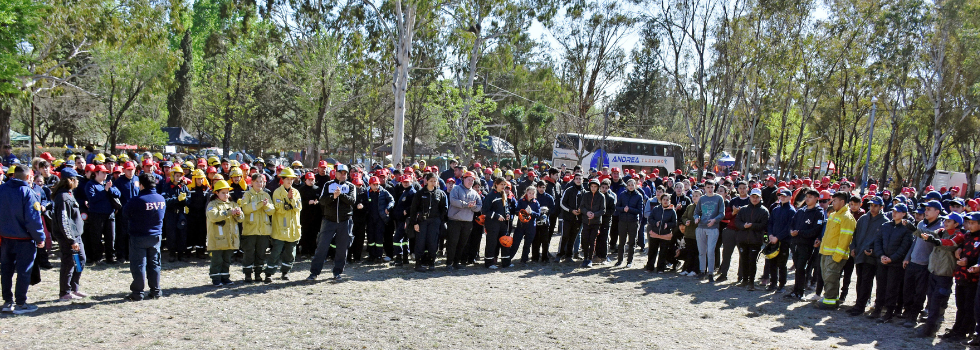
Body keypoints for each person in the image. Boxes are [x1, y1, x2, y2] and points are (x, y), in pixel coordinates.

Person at [0, 165, 46, 314]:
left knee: (6, 270)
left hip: (6, 237)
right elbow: (33, 219)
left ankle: (8, 301)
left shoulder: (2, 189)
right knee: (24, 271)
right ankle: (20, 303)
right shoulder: (27, 192)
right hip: (24, 239)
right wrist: (40, 237)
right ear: (28, 177)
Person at [914, 212, 964, 334]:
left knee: (937, 301)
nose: (945, 223)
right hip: (934, 271)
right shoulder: (941, 231)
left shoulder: (959, 235)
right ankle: (931, 324)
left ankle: (929, 328)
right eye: (945, 221)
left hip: (945, 274)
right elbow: (929, 235)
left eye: (949, 221)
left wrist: (933, 239)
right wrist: (913, 229)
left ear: (956, 224)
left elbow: (948, 244)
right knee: (931, 299)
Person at [122, 173, 166, 301]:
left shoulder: (137, 200)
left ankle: (137, 293)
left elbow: (125, 214)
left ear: (141, 185)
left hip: (139, 236)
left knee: (138, 265)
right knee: (154, 264)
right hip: (156, 236)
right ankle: (156, 291)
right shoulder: (161, 199)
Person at [309, 164, 355, 281]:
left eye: (345, 173)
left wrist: (341, 195)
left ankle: (337, 272)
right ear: (336, 173)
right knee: (322, 247)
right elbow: (322, 201)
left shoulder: (351, 186)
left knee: (341, 248)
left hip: (345, 221)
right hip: (329, 221)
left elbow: (352, 201)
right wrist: (333, 197)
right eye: (341, 173)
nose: (343, 175)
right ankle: (314, 273)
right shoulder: (328, 185)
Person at [901, 200, 944, 322]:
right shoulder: (920, 224)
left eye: (929, 209)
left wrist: (913, 229)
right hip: (913, 261)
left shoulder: (940, 227)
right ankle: (907, 311)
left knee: (920, 292)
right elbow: (915, 242)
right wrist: (907, 257)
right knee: (907, 289)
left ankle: (913, 315)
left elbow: (930, 236)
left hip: (925, 265)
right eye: (925, 209)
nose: (926, 212)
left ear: (937, 211)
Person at [845, 196, 887, 316]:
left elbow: (882, 241)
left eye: (875, 206)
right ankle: (859, 303)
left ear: (881, 207)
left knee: (866, 281)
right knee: (859, 280)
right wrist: (853, 248)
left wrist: (873, 251)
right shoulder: (863, 218)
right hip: (859, 255)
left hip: (871, 257)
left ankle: (861, 306)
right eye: (871, 205)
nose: (872, 208)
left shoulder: (884, 221)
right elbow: (855, 235)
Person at [51, 168, 88, 301]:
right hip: (69, 238)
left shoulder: (68, 194)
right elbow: (64, 221)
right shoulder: (63, 197)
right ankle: (65, 291)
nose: (78, 181)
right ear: (70, 180)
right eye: (76, 179)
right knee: (69, 263)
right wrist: (71, 240)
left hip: (76, 236)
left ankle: (74, 288)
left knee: (80, 260)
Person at [816, 192, 857, 309]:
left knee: (831, 278)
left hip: (835, 255)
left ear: (842, 202)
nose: (832, 203)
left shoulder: (847, 218)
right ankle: (830, 298)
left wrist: (837, 256)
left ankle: (830, 302)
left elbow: (845, 239)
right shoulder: (834, 215)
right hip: (825, 252)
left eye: (834, 201)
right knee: (827, 277)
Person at [407, 173, 449, 272]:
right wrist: (414, 223)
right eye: (431, 181)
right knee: (420, 242)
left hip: (434, 221)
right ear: (426, 181)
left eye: (435, 181)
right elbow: (413, 209)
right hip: (422, 221)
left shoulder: (440, 193)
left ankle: (431, 262)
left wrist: (440, 220)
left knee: (433, 242)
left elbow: (444, 208)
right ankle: (418, 263)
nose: (433, 183)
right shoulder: (420, 193)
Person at [206, 180, 244, 286]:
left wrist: (238, 213)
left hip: (229, 239)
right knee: (217, 260)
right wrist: (228, 212)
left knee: (227, 260)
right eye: (223, 192)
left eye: (227, 192)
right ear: (216, 193)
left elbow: (241, 219)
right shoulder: (212, 204)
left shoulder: (232, 204)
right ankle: (216, 278)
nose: (226, 195)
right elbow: (213, 216)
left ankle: (225, 277)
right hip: (217, 239)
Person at [268, 168, 303, 280]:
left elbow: (298, 207)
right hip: (280, 229)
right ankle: (269, 273)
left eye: (291, 179)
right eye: (287, 179)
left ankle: (285, 272)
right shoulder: (277, 192)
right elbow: (279, 209)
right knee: (276, 252)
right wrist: (288, 200)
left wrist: (291, 200)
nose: (290, 181)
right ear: (282, 180)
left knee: (290, 253)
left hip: (293, 229)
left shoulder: (296, 192)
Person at [240, 173, 274, 283]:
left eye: (262, 182)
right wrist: (259, 204)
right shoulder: (247, 195)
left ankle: (258, 274)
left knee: (261, 253)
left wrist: (267, 205)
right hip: (250, 230)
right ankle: (248, 274)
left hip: (263, 230)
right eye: (257, 181)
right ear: (252, 182)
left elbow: (272, 211)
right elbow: (245, 209)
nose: (260, 184)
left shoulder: (266, 195)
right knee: (249, 253)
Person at [733, 188, 770, 290]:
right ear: (750, 197)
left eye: (757, 197)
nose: (754, 199)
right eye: (753, 197)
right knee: (743, 260)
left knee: (752, 261)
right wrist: (743, 226)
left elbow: (764, 225)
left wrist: (752, 225)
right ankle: (744, 280)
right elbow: (737, 221)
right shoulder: (744, 209)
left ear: (760, 198)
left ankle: (751, 282)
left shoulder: (764, 211)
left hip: (755, 240)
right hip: (743, 239)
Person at [85, 164, 121, 264]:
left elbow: (118, 194)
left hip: (110, 214)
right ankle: (98, 257)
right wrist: (105, 190)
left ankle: (110, 257)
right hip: (96, 214)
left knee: (111, 237)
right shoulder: (90, 184)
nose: (105, 174)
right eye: (103, 172)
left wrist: (110, 189)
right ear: (96, 173)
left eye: (106, 173)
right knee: (97, 237)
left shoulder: (107, 183)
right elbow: (92, 198)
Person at [954, 213, 980, 345]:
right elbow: (963, 247)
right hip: (961, 275)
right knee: (960, 305)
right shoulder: (967, 235)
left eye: (973, 223)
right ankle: (957, 328)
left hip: (973, 278)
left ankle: (964, 331)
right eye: (968, 222)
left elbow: (977, 259)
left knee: (969, 306)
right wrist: (958, 249)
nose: (969, 225)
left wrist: (969, 261)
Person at [446, 171, 481, 269]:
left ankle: (456, 262)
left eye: (472, 180)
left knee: (462, 243)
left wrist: (472, 207)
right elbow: (453, 201)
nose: (470, 182)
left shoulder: (474, 193)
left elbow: (479, 206)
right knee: (453, 242)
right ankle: (449, 263)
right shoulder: (456, 189)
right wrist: (466, 204)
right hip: (455, 221)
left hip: (468, 222)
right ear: (463, 179)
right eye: (468, 179)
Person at [694, 180, 725, 282]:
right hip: (701, 227)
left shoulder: (719, 198)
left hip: (713, 228)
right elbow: (697, 212)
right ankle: (702, 271)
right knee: (702, 251)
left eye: (712, 187)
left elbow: (722, 213)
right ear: (705, 188)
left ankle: (710, 273)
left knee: (711, 251)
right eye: (708, 187)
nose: (710, 189)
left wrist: (714, 220)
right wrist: (696, 217)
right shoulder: (702, 199)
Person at [765, 189, 795, 292]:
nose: (782, 197)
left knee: (782, 264)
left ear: (790, 197)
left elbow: (788, 228)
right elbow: (770, 223)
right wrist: (770, 235)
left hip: (784, 241)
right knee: (772, 263)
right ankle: (773, 283)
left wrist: (777, 237)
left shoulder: (791, 211)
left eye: (784, 196)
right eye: (781, 196)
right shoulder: (775, 209)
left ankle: (781, 284)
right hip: (773, 240)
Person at [362, 176, 394, 264]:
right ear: (370, 185)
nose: (376, 186)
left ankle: (379, 256)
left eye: (377, 184)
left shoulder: (383, 192)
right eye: (374, 185)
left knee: (379, 238)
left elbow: (392, 200)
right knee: (370, 238)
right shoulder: (367, 192)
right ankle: (371, 256)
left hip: (380, 219)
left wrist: (388, 208)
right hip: (370, 219)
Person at [161, 166, 191, 263]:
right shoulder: (166, 186)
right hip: (170, 214)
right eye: (177, 176)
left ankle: (181, 253)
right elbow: (164, 200)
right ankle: (172, 253)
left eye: (180, 176)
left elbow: (189, 200)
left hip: (181, 213)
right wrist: (177, 199)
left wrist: (184, 200)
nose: (179, 178)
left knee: (182, 233)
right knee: (171, 234)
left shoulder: (183, 187)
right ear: (173, 176)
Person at [615, 179, 645, 267]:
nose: (631, 186)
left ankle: (629, 261)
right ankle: (619, 260)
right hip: (623, 221)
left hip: (633, 221)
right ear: (627, 186)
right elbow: (617, 207)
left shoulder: (639, 196)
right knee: (621, 242)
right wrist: (623, 209)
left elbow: (640, 210)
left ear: (635, 185)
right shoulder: (622, 195)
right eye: (629, 185)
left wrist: (630, 210)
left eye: (632, 185)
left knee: (632, 242)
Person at [508, 186, 541, 266]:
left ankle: (523, 260)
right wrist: (523, 212)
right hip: (521, 226)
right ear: (526, 192)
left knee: (527, 244)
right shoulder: (521, 201)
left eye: (533, 193)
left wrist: (531, 212)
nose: (531, 195)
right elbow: (516, 211)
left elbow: (538, 215)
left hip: (531, 226)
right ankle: (508, 259)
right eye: (529, 193)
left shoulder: (536, 203)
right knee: (516, 243)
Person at [645, 193, 677, 273]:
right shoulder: (656, 209)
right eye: (664, 200)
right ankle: (650, 267)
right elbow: (650, 219)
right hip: (655, 234)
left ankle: (660, 268)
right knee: (652, 251)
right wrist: (655, 223)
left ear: (669, 201)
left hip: (665, 235)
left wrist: (668, 225)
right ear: (661, 200)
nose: (665, 201)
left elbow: (674, 223)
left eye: (667, 200)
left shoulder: (672, 211)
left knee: (663, 253)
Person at [578, 178, 606, 268]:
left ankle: (590, 258)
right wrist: (587, 212)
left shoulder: (601, 196)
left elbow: (603, 210)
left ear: (598, 187)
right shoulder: (586, 195)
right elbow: (581, 207)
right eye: (592, 186)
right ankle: (585, 258)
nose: (593, 188)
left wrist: (595, 214)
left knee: (592, 240)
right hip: (586, 221)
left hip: (596, 222)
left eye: (595, 187)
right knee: (585, 240)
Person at [558, 173, 584, 262]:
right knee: (565, 236)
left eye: (580, 179)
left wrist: (581, 210)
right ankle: (560, 254)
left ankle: (569, 255)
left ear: (582, 180)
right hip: (568, 218)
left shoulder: (585, 192)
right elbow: (562, 203)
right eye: (576, 178)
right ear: (573, 180)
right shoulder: (569, 190)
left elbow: (586, 205)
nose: (578, 180)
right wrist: (570, 210)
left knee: (573, 237)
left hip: (578, 219)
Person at [531, 180, 557, 264]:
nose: (541, 189)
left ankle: (545, 257)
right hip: (535, 222)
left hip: (545, 222)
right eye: (540, 187)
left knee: (545, 240)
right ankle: (535, 257)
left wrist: (547, 211)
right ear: (537, 187)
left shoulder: (549, 197)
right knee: (535, 240)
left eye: (543, 187)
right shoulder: (534, 197)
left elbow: (553, 209)